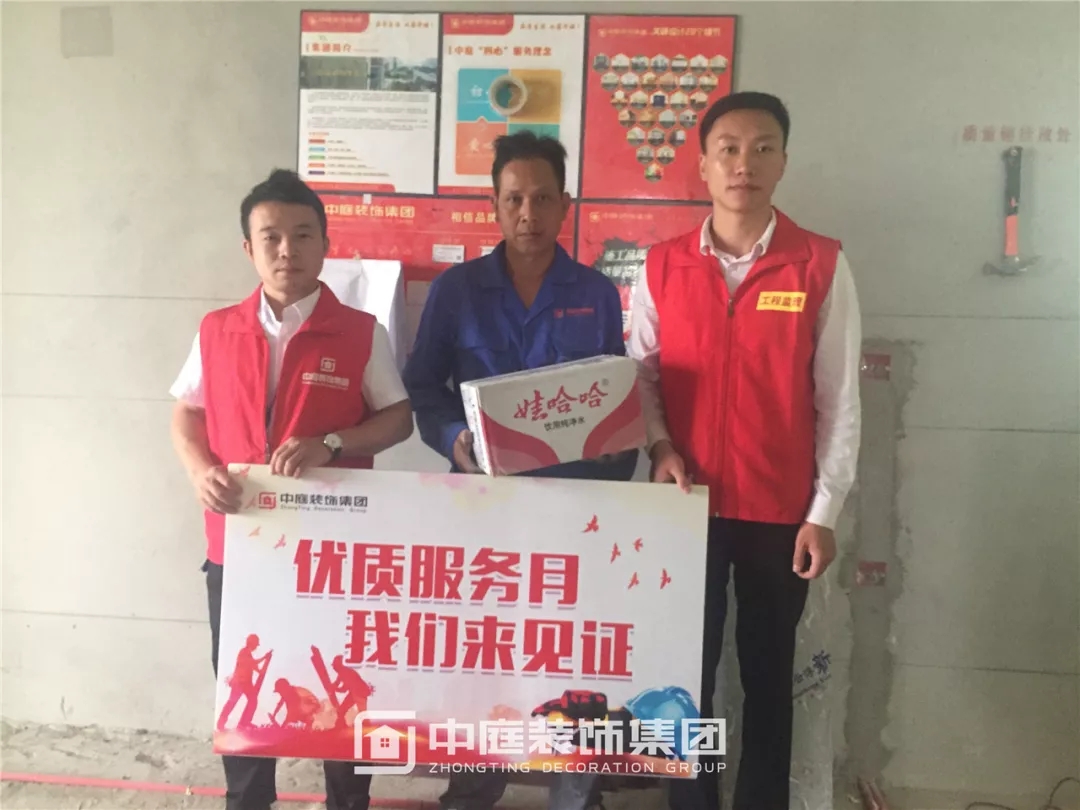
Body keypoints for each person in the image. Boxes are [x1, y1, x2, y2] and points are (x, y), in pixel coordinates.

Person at [627, 92, 862, 810]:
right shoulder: (662, 266)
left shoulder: (818, 263)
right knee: (685, 679)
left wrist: (823, 511)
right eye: (727, 149)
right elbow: (639, 376)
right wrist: (661, 446)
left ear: (783, 162)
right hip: (685, 504)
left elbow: (840, 398)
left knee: (767, 678)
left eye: (763, 149)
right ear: (702, 165)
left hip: (779, 511)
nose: (744, 164)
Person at [403, 131, 635, 810]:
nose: (528, 212)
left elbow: (614, 396)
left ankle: (577, 794)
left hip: (574, 511)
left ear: (566, 205)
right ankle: (473, 788)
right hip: (485, 509)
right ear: (495, 206)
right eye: (513, 199)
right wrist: (454, 441)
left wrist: (614, 451)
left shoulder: (597, 294)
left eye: (541, 198)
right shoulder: (456, 291)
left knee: (572, 653)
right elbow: (423, 387)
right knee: (486, 654)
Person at [170, 168, 414, 810]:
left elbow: (398, 419)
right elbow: (186, 412)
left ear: (326, 245)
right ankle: (248, 800)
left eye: (303, 235)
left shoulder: (361, 331)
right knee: (244, 684)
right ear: (248, 248)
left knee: (343, 683)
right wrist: (199, 470)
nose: (287, 250)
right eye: (271, 237)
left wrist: (332, 443)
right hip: (239, 543)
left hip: (334, 550)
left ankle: (348, 801)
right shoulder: (217, 329)